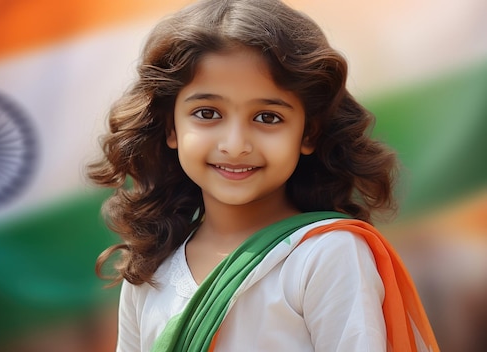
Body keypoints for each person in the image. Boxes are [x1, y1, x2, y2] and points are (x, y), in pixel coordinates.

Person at [87, 0, 439, 351]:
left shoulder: (324, 255)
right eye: (207, 113)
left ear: (308, 133)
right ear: (170, 127)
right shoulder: (151, 269)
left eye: (267, 118)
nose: (235, 145)